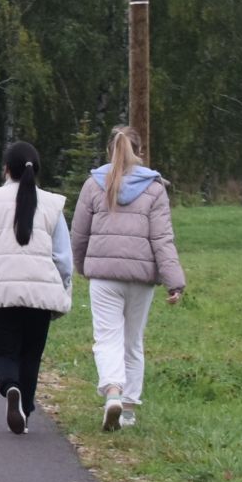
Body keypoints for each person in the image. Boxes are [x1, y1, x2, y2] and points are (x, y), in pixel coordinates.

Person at [70, 124, 185, 432]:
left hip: (104, 277)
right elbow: (162, 238)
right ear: (141, 152)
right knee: (132, 342)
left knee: (106, 338)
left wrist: (80, 267)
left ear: (109, 150)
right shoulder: (155, 188)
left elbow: (78, 234)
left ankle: (112, 394)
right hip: (141, 277)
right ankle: (130, 411)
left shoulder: (93, 184)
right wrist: (174, 280)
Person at [0, 140, 73, 435]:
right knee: (30, 355)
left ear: (5, 170)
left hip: (1, 293)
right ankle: (24, 409)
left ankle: (10, 387)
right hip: (41, 295)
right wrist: (63, 289)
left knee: (2, 353)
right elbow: (63, 257)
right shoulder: (53, 204)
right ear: (36, 170)